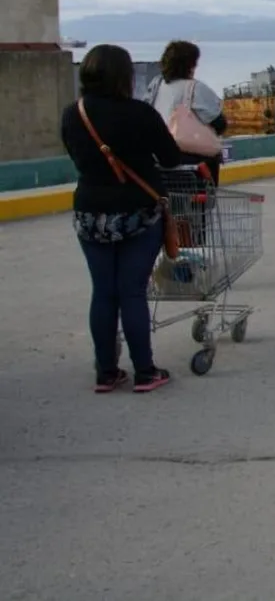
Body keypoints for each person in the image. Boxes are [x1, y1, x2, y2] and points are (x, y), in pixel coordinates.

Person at [62, 44, 183, 393]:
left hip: (90, 212)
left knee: (103, 292)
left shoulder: (74, 113)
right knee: (131, 291)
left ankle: (106, 372)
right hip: (136, 212)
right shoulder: (139, 114)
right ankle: (145, 371)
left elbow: (75, 154)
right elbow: (171, 158)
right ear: (124, 76)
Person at [144, 40, 228, 183]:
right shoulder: (196, 89)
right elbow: (219, 123)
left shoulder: (156, 85)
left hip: (160, 153)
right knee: (200, 201)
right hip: (192, 157)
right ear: (190, 65)